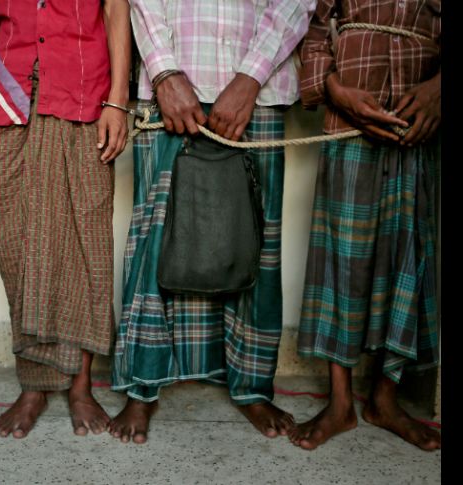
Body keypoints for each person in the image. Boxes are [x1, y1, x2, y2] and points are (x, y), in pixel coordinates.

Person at [110, 0, 316, 444]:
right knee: (155, 239)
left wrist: (249, 78)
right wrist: (164, 72)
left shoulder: (253, 83)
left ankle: (252, 386)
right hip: (170, 89)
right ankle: (142, 385)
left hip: (257, 90)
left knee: (252, 241)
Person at [0, 0, 131, 438]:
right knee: (16, 241)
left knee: (85, 242)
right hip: (9, 100)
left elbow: (117, 9)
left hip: (84, 96)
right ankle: (33, 386)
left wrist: (118, 100)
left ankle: (80, 384)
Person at [290, 0, 441, 451]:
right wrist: (334, 89)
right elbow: (315, 30)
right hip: (348, 119)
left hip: (419, 123)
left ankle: (384, 399)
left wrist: (439, 89)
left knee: (406, 255)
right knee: (344, 255)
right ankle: (340, 404)